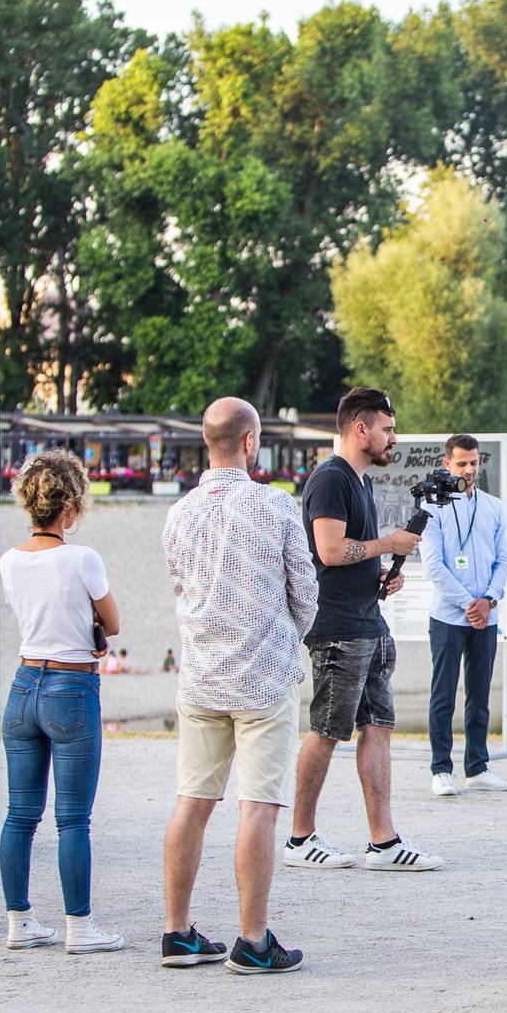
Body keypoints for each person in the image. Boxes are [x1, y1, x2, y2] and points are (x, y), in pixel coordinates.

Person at [163, 398, 319, 973]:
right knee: (258, 807)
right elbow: (305, 593)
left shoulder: (178, 513)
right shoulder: (276, 508)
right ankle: (253, 940)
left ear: (208, 441)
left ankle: (177, 932)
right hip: (263, 678)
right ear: (251, 442)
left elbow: (179, 586)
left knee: (192, 801)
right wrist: (282, 637)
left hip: (202, 676)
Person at [283, 388, 443, 873]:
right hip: (337, 629)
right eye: (387, 429)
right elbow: (329, 551)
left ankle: (383, 841)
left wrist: (380, 573)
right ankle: (298, 838)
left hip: (367, 623)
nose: (392, 438)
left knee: (379, 726)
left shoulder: (360, 482)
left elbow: (346, 557)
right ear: (360, 428)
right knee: (328, 730)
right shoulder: (331, 479)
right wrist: (388, 543)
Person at [0, 448, 125, 954]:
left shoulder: (10, 561)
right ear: (70, 508)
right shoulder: (82, 558)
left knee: (20, 814)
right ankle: (79, 925)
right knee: (73, 818)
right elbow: (110, 623)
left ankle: (19, 920)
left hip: (25, 682)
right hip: (71, 685)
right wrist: (93, 628)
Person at [422, 433, 507, 796]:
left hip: (486, 615)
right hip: (449, 615)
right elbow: (433, 565)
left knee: (480, 694)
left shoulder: (493, 506)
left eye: (474, 462)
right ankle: (440, 768)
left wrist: (489, 601)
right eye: (461, 463)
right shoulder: (433, 508)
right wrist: (468, 603)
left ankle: (477, 765)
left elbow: (503, 559)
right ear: (447, 464)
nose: (469, 469)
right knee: (443, 692)